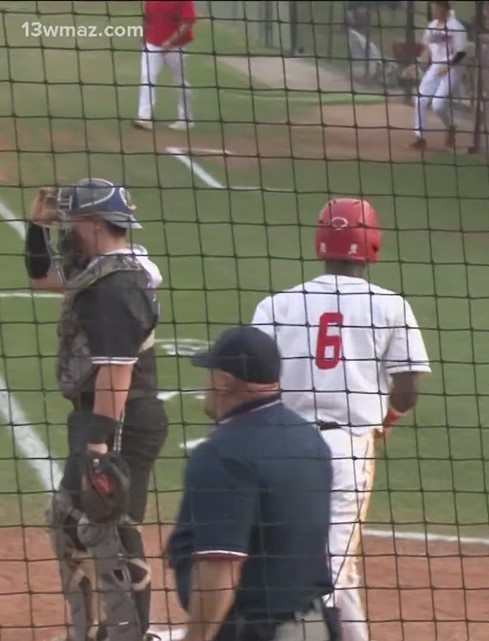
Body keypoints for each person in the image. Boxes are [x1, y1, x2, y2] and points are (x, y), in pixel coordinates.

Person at [251, 198, 431, 641]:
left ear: (321, 241)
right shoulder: (391, 306)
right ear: (372, 243)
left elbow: (251, 379)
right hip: (348, 449)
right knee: (331, 566)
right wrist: (388, 420)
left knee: (279, 553)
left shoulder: (277, 304)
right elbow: (408, 387)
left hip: (282, 446)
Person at [24, 179, 168, 641]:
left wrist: (99, 447)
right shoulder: (102, 269)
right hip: (101, 414)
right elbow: (41, 277)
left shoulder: (116, 285)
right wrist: (35, 227)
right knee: (70, 521)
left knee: (110, 528)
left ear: (92, 223)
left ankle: (130, 634)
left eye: (70, 221)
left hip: (120, 417)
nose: (66, 228)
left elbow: (117, 372)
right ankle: (90, 630)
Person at [168, 326, 336, 641]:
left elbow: (220, 567)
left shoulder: (223, 454)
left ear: (223, 380)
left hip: (256, 632)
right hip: (314, 627)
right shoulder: (309, 439)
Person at [410, 0, 468, 150]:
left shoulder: (456, 27)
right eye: (433, 8)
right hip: (436, 67)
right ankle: (420, 137)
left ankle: (450, 127)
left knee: (438, 105)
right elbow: (427, 47)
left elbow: (461, 53)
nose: (434, 11)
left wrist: (448, 66)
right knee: (420, 100)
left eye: (436, 8)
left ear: (444, 9)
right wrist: (420, 59)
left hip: (453, 68)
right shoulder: (432, 26)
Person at [134, 0, 195, 131]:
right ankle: (144, 117)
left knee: (180, 82)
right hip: (152, 43)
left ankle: (185, 118)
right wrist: (143, 36)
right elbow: (147, 18)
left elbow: (187, 22)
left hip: (177, 46)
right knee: (147, 77)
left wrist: (171, 41)